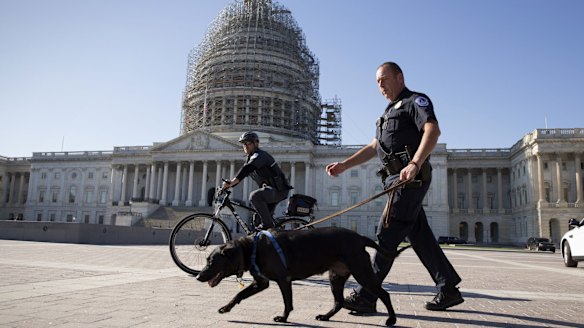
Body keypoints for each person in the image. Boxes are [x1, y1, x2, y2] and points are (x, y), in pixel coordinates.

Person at [325, 62, 463, 312]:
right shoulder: (387, 113)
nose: (380, 86)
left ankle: (367, 296)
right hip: (394, 180)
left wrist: (415, 163)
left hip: (409, 178)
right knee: (421, 237)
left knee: (386, 235)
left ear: (399, 77)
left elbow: (432, 130)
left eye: (384, 79)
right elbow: (373, 147)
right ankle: (448, 288)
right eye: (377, 82)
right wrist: (344, 165)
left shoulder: (415, 101)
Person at [222, 131, 292, 229]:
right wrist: (229, 185)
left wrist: (232, 181)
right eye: (243, 144)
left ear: (256, 143)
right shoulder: (250, 158)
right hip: (271, 191)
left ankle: (268, 225)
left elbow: (247, 168)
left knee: (255, 196)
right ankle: (271, 237)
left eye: (248, 143)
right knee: (257, 220)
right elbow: (242, 174)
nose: (245, 146)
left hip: (278, 190)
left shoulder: (260, 155)